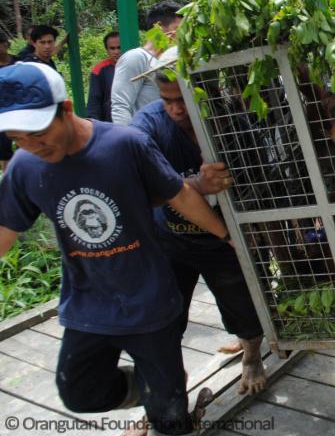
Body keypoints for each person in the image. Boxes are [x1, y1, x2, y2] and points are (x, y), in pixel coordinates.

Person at [0, 62, 231, 435]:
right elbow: (5, 230)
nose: (31, 145)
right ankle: (154, 387)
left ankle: (165, 395)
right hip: (87, 302)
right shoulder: (26, 167)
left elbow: (179, 194)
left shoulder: (125, 145)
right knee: (79, 393)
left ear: (67, 109)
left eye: (39, 132)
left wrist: (225, 235)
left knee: (170, 419)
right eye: (17, 138)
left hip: (149, 300)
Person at [130, 66, 268, 397]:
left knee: (244, 306)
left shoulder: (229, 122)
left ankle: (251, 357)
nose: (175, 109)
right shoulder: (148, 125)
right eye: (167, 101)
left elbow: (261, 174)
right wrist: (197, 184)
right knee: (165, 317)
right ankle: (167, 385)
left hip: (227, 241)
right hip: (171, 238)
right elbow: (139, 184)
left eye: (182, 100)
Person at [111, 0, 183, 125]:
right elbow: (120, 106)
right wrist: (129, 137)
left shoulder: (172, 60)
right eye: (177, 29)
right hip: (144, 134)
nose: (181, 35)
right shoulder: (136, 58)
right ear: (158, 27)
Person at [86, 31, 122, 122]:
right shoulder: (99, 69)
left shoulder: (135, 65)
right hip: (110, 122)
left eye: (119, 47)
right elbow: (94, 100)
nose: (116, 52)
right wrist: (94, 124)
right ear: (107, 50)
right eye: (112, 48)